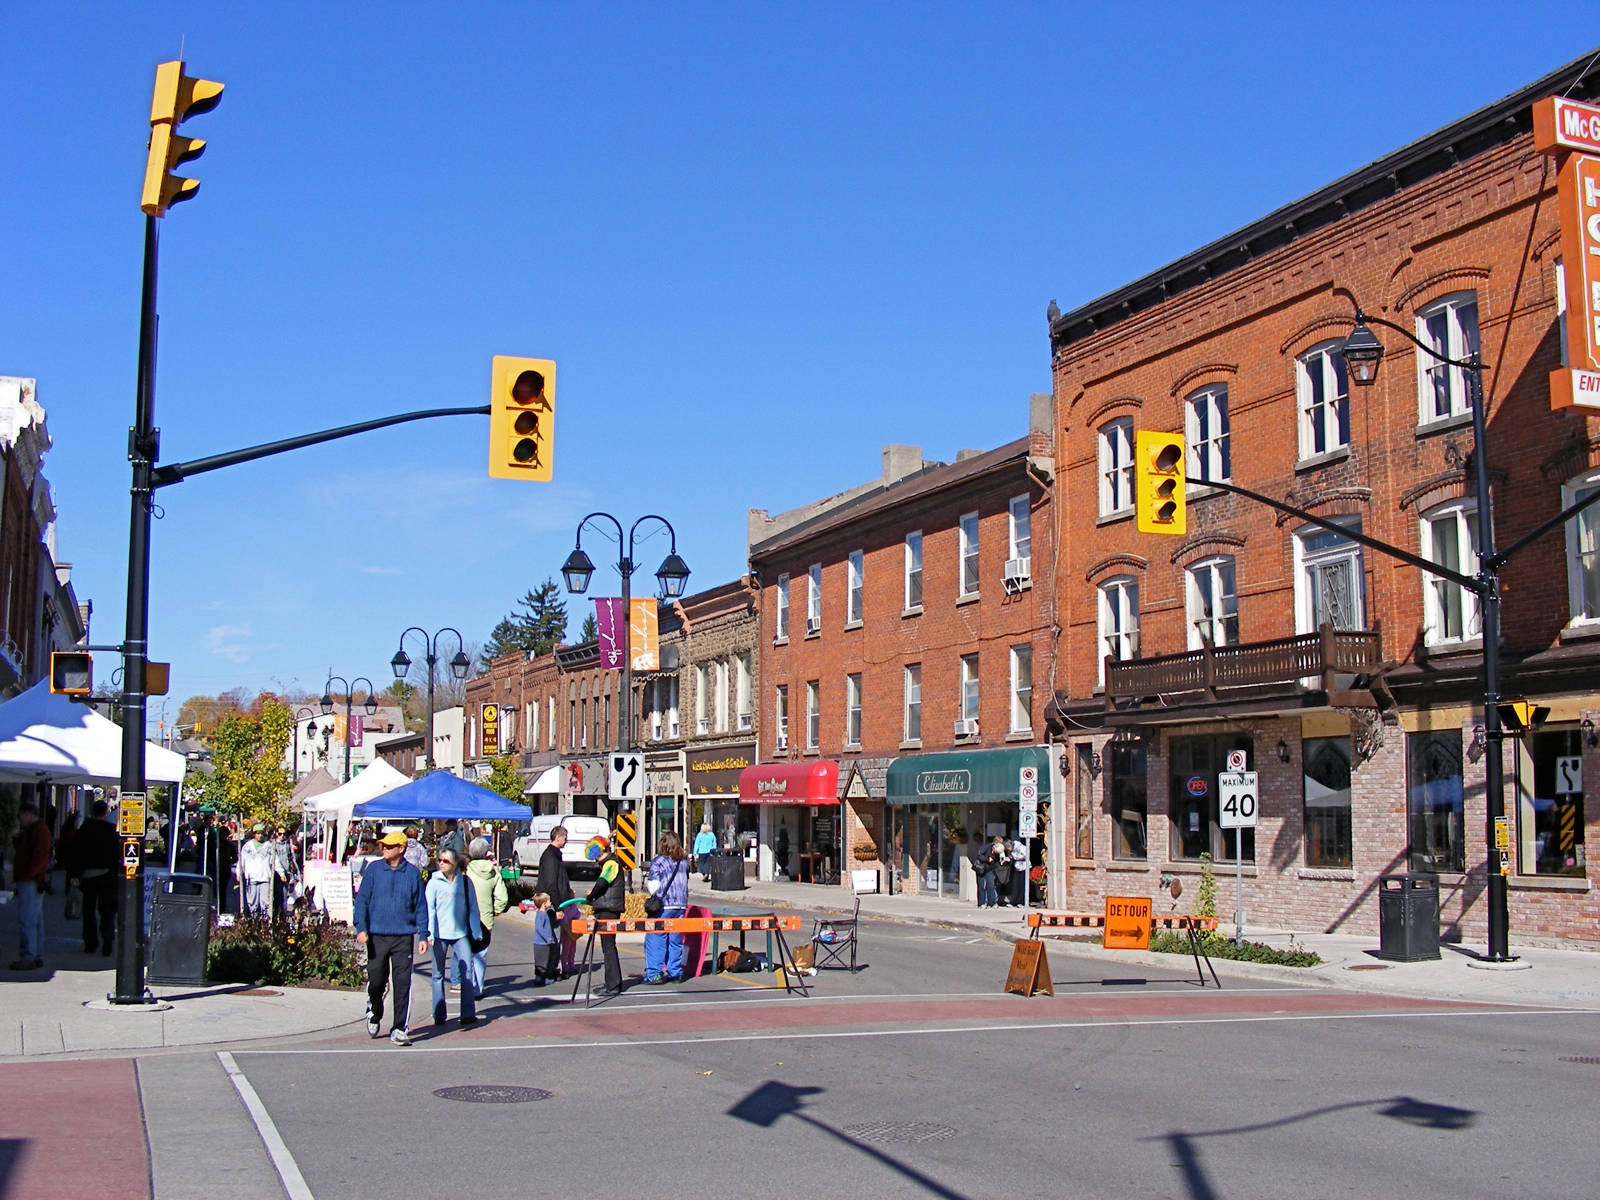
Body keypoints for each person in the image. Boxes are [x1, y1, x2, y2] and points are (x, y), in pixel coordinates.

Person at [352, 829, 430, 1046]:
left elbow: (420, 907)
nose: (384, 849)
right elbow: (362, 901)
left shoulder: (413, 874)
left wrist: (423, 934)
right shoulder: (374, 870)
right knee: (377, 979)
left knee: (402, 982)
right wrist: (361, 927)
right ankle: (374, 1011)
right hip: (377, 936)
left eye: (389, 846)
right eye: (383, 846)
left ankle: (399, 1027)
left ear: (401, 849)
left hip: (403, 936)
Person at [425, 849, 482, 1027]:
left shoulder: (465, 883)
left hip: (460, 934)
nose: (441, 863)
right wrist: (430, 933)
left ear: (455, 864)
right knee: (438, 974)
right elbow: (430, 909)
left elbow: (473, 908)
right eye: (439, 860)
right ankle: (439, 1014)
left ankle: (467, 1014)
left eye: (446, 861)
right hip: (440, 935)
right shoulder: (433, 883)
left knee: (467, 973)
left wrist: (475, 930)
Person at [463, 836, 508, 1000]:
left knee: (466, 953)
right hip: (485, 919)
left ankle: (467, 985)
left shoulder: (465, 870)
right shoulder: (493, 871)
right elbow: (502, 898)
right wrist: (494, 910)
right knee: (481, 954)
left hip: (466, 918)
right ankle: (478, 989)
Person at [643, 831, 691, 984]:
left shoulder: (659, 861)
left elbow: (653, 886)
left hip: (664, 905)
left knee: (656, 938)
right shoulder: (684, 862)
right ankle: (675, 972)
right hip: (681, 905)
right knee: (675, 940)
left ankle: (654, 973)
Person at [9, 802, 53, 970]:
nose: (20, 820)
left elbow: (40, 857)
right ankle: (36, 954)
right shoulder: (33, 831)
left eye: (20, 816)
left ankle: (28, 956)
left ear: (28, 814)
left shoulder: (39, 831)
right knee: (34, 921)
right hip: (32, 879)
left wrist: (28, 875)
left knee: (27, 920)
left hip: (31, 880)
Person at [76, 800, 120, 957]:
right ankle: (107, 941)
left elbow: (76, 853)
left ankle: (90, 943)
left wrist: (75, 875)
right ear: (106, 812)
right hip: (106, 875)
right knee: (106, 910)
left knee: (88, 910)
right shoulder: (110, 831)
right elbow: (116, 855)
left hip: (87, 875)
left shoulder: (83, 829)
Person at [585, 834, 627, 995]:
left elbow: (602, 883)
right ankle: (611, 982)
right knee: (607, 947)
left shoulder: (611, 863)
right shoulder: (609, 863)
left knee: (608, 947)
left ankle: (613, 984)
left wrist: (591, 896)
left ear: (605, 850)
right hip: (606, 908)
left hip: (609, 909)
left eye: (598, 855)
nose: (597, 859)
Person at [536, 825, 578, 978]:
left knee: (556, 939)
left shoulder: (555, 855)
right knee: (551, 939)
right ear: (558, 837)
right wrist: (557, 907)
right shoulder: (550, 857)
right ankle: (549, 970)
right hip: (551, 904)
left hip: (559, 901)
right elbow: (551, 884)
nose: (566, 840)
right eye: (565, 837)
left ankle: (555, 968)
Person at [238, 824, 280, 920]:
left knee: (265, 902)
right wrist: (239, 872)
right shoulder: (247, 847)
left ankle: (265, 921)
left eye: (261, 834)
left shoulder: (268, 846)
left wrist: (281, 873)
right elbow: (242, 861)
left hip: (264, 877)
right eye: (257, 834)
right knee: (252, 901)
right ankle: (254, 920)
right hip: (252, 877)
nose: (259, 836)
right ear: (254, 834)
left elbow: (275, 860)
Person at [529, 892, 557, 985]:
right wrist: (548, 939)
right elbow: (540, 929)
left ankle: (541, 977)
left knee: (545, 960)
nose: (551, 902)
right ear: (544, 904)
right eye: (549, 901)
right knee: (542, 961)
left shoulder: (544, 914)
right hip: (541, 943)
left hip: (544, 942)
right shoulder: (541, 915)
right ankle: (541, 978)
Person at [971, 839, 999, 909]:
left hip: (989, 868)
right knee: (981, 886)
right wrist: (987, 859)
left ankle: (992, 902)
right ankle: (981, 903)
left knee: (991, 885)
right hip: (981, 868)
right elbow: (979, 855)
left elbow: (996, 860)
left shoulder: (998, 852)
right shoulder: (987, 847)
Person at [990, 836, 1013, 906]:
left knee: (998, 884)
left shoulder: (1003, 849)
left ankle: (996, 899)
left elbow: (1008, 857)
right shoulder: (993, 849)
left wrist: (1006, 859)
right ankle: (994, 899)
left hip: (1001, 869)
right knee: (995, 884)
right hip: (997, 868)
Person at [1008, 834, 1030, 907]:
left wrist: (1015, 857)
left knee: (1022, 885)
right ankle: (1013, 901)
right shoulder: (1013, 850)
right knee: (1015, 885)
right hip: (1017, 867)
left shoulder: (1022, 848)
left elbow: (1025, 856)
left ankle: (1021, 901)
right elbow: (1012, 857)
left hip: (1024, 868)